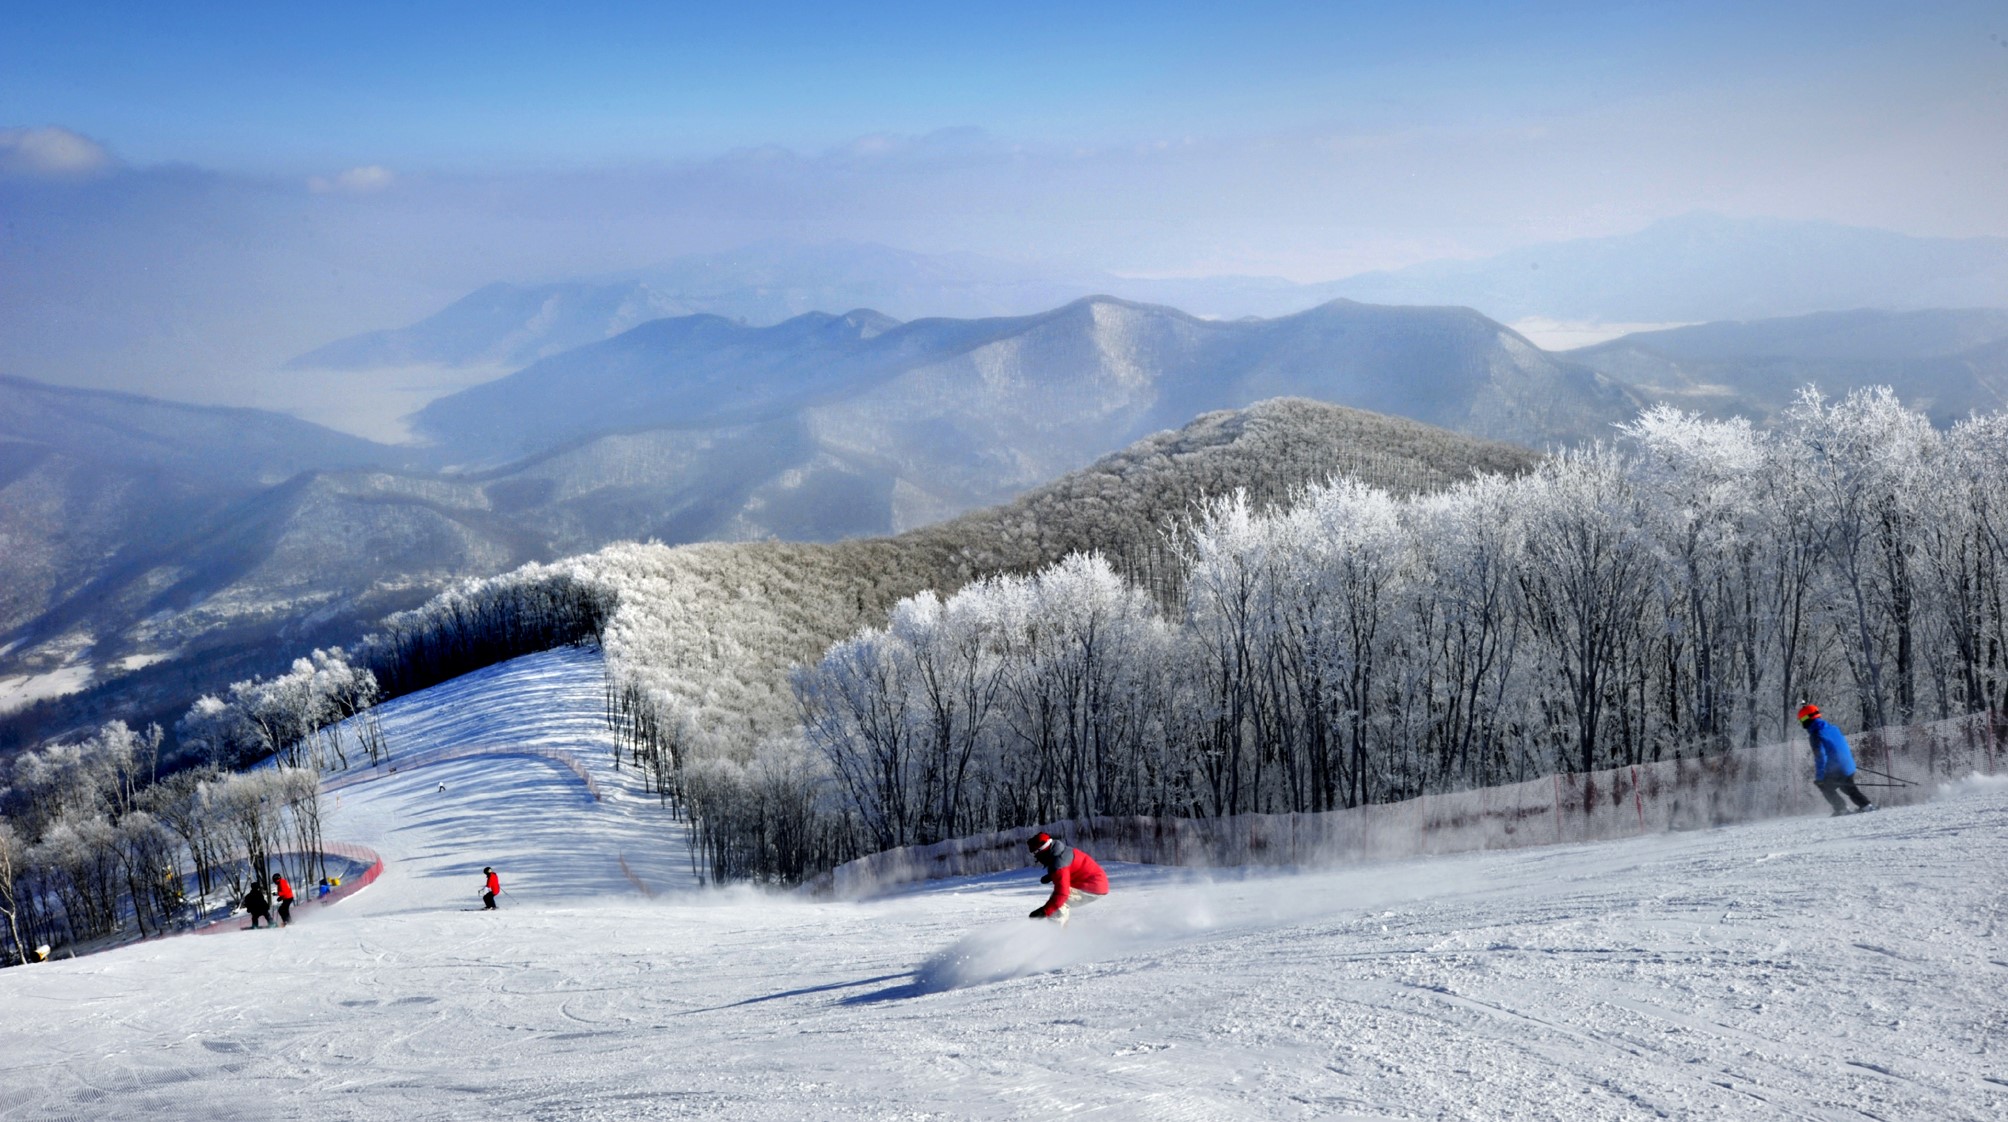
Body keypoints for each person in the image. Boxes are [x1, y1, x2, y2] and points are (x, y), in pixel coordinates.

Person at [1798, 704, 1877, 816]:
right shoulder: (1833, 728)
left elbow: (1820, 757)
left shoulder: (1816, 735)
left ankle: (1841, 808)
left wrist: (1820, 777)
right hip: (1848, 764)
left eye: (1801, 720)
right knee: (1848, 787)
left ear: (1806, 719)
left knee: (1825, 786)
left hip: (1838, 767)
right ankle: (1866, 806)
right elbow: (1838, 747)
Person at [1026, 832, 1108, 925]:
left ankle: (1059, 936)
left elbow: (1062, 894)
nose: (1035, 857)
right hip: (1095, 881)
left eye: (1035, 853)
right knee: (1056, 902)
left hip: (1094, 886)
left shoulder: (1059, 863)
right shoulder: (1060, 851)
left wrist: (1044, 911)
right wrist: (1052, 875)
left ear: (1042, 851)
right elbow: (1071, 867)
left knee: (1057, 904)